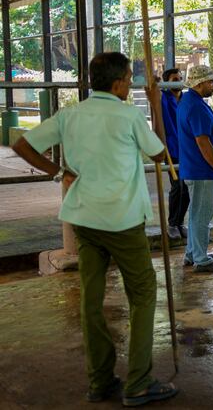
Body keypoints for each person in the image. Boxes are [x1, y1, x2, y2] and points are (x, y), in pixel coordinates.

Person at [11, 52, 178, 406]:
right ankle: (138, 381)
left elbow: (21, 144)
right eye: (130, 78)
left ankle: (100, 380)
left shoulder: (71, 115)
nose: (131, 84)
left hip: (84, 219)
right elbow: (160, 154)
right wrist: (155, 105)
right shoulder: (129, 115)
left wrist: (59, 173)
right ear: (118, 83)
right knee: (144, 294)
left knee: (91, 300)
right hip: (122, 220)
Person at [177, 65, 213, 273]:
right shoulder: (196, 106)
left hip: (194, 167)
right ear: (199, 84)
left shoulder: (189, 101)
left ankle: (192, 253)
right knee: (202, 214)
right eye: (210, 82)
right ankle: (201, 259)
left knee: (196, 213)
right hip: (201, 168)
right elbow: (203, 142)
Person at [161, 68, 188, 240]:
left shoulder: (185, 98)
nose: (178, 81)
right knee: (177, 185)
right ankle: (172, 223)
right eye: (174, 79)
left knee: (187, 187)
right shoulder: (163, 98)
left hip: (187, 148)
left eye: (180, 78)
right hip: (171, 148)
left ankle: (179, 222)